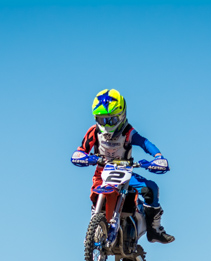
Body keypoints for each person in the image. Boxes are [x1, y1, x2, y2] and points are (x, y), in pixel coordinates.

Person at [71, 89, 174, 244]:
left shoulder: (128, 132)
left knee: (151, 188)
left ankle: (154, 230)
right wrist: (80, 156)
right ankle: (96, 224)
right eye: (102, 120)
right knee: (95, 196)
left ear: (121, 115)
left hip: (125, 172)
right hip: (102, 173)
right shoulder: (93, 131)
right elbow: (81, 149)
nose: (106, 124)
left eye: (111, 120)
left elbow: (144, 143)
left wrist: (158, 157)